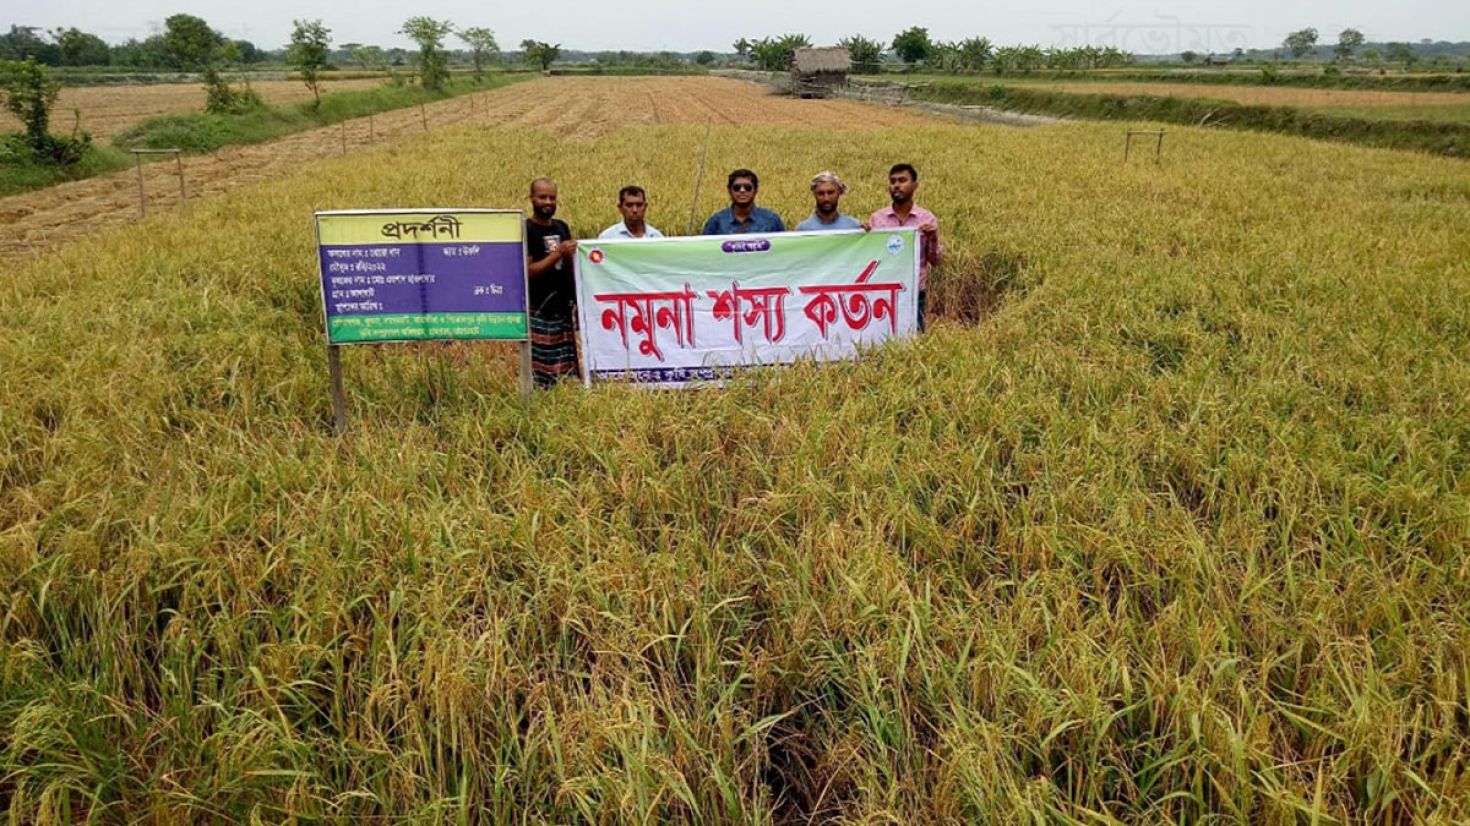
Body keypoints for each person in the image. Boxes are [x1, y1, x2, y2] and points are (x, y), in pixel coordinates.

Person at [865, 163, 942, 331]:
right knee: (880, 338)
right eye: (893, 181)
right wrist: (861, 236)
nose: (897, 185)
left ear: (915, 186)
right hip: (882, 293)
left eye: (902, 180)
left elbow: (936, 261)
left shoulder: (926, 219)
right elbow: (867, 257)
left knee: (915, 340)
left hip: (914, 294)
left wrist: (933, 237)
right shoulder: (876, 219)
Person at [524, 177, 579, 387]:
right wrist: (558, 254)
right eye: (542, 197)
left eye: (552, 197)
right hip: (540, 307)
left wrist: (577, 298)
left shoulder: (562, 227)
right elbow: (527, 270)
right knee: (542, 368)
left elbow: (570, 265)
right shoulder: (527, 229)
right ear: (532, 199)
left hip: (563, 306)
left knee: (566, 369)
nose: (548, 202)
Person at [702, 169, 785, 235]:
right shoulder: (716, 222)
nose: (742, 191)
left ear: (755, 190)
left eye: (748, 187)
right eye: (737, 188)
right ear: (729, 191)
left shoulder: (771, 220)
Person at [795, 171, 861, 232]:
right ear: (814, 194)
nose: (826, 198)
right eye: (821, 193)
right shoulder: (803, 229)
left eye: (830, 193)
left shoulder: (853, 226)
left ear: (839, 192)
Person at [599, 186, 664, 239]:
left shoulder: (656, 237)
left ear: (645, 207)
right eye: (629, 205)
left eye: (639, 205)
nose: (635, 210)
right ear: (620, 208)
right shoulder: (607, 238)